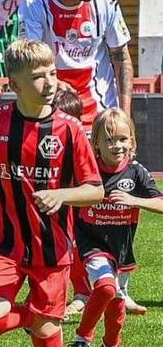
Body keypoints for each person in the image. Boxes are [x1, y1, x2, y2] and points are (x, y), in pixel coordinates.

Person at [0, 39, 103, 347]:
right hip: (6, 244)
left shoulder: (70, 130)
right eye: (38, 76)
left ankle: (41, 322)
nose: (49, 82)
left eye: (52, 73)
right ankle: (35, 317)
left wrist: (62, 196)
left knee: (45, 335)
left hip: (52, 249)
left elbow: (96, 190)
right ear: (14, 83)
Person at [71, 110, 162, 347]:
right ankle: (82, 338)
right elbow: (68, 198)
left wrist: (136, 200)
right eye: (109, 140)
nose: (117, 145)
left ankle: (112, 343)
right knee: (105, 287)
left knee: (116, 298)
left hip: (121, 248)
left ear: (132, 141)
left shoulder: (136, 172)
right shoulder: (87, 170)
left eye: (123, 139)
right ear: (97, 144)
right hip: (91, 244)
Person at [16, 0, 133, 126]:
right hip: (53, 111)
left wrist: (124, 114)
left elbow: (121, 57)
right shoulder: (34, 3)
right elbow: (31, 58)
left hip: (100, 115)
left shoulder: (105, 1)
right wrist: (55, 83)